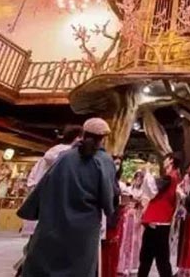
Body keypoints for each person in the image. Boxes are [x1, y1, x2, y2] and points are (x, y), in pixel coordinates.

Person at [18, 118, 117, 277]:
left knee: (45, 264)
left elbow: (43, 186)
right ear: (104, 138)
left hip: (54, 222)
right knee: (78, 269)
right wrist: (111, 211)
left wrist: (34, 211)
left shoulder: (64, 157)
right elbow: (108, 196)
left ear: (83, 134)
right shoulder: (104, 161)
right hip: (84, 229)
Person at [15, 125, 84, 276]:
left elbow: (32, 180)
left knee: (37, 243)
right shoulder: (68, 155)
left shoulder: (51, 153)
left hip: (43, 205)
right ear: (77, 138)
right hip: (54, 207)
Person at [138, 153, 182, 277]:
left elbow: (153, 189)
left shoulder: (169, 177)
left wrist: (147, 172)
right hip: (159, 222)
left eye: (166, 159)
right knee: (156, 258)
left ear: (171, 161)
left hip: (158, 222)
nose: (164, 161)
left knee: (153, 257)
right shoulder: (174, 177)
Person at [119, 170, 146, 276]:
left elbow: (144, 204)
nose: (138, 180)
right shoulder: (128, 189)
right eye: (137, 178)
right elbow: (123, 200)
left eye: (140, 178)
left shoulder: (143, 192)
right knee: (125, 239)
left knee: (135, 241)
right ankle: (123, 265)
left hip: (136, 217)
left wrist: (139, 202)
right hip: (126, 216)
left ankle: (132, 265)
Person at [101, 155, 124, 277]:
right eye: (115, 163)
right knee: (105, 252)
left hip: (114, 219)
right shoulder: (107, 179)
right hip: (106, 220)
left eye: (119, 164)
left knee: (112, 252)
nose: (117, 166)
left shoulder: (115, 180)